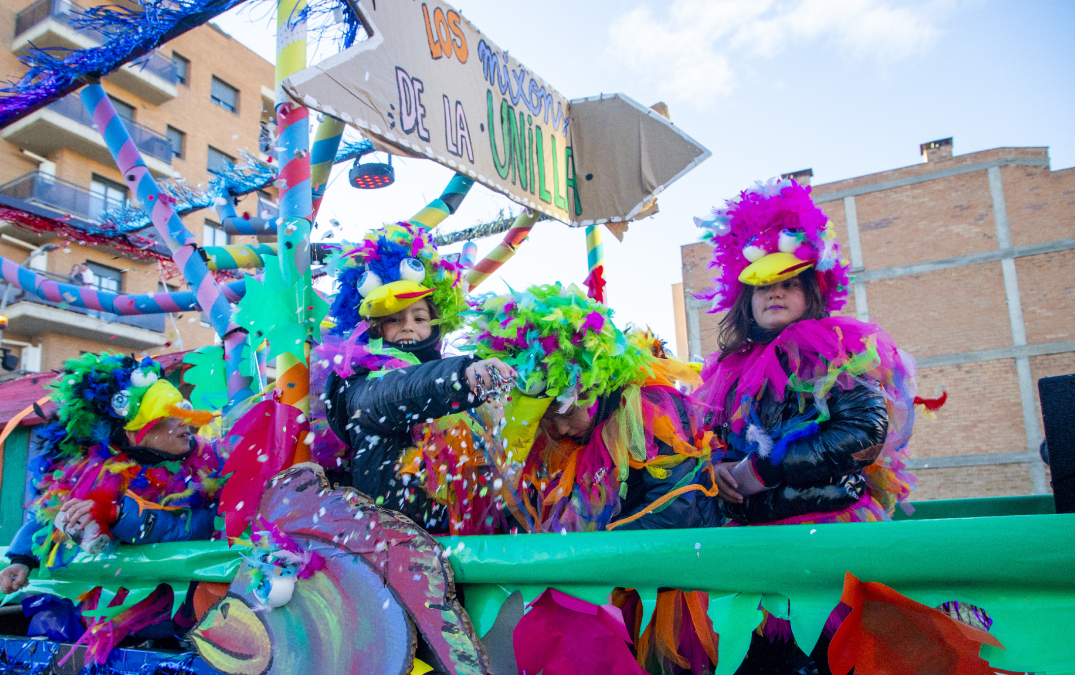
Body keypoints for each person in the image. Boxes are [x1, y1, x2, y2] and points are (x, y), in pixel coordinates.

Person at [693, 178, 918, 526]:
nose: (775, 294)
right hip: (754, 531)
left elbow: (863, 431)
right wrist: (718, 468)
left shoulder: (834, 350)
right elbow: (716, 440)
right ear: (745, 299)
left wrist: (763, 469)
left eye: (789, 284)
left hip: (828, 522)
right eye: (763, 287)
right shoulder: (731, 371)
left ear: (812, 291)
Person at [467, 283, 722, 532]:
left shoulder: (648, 412)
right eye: (545, 420)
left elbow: (673, 513)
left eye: (566, 413)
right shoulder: (550, 441)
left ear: (593, 389)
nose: (560, 429)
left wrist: (591, 554)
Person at [312, 222, 512, 535]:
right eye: (394, 319)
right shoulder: (359, 384)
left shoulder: (451, 381)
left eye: (419, 318)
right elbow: (396, 393)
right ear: (375, 327)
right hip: (386, 544)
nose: (408, 327)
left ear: (435, 325)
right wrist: (460, 376)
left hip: (453, 542)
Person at [0, 353, 224, 595]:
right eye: (166, 416)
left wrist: (119, 514)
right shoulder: (96, 474)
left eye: (182, 409)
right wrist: (22, 559)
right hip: (120, 603)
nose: (183, 421)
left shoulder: (211, 466)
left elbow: (194, 529)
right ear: (131, 433)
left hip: (188, 607)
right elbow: (51, 517)